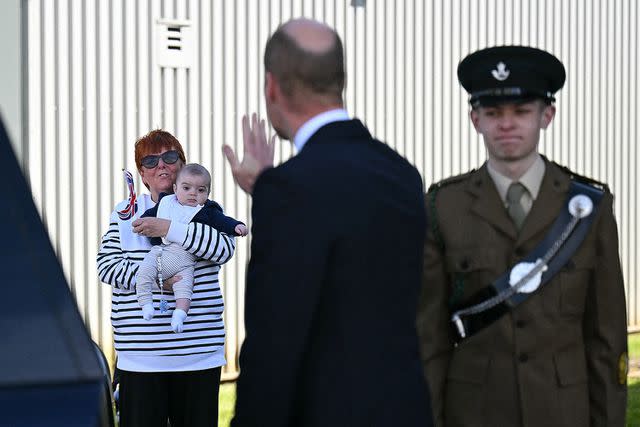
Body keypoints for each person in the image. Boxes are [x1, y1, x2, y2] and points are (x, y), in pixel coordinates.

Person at [222, 18, 433, 427]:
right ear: (341, 81)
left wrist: (271, 190)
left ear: (271, 86)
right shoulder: (401, 174)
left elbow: (274, 343)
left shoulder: (289, 192)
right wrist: (269, 187)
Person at [417, 45, 628, 427]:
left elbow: (606, 340)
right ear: (474, 119)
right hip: (474, 415)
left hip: (564, 414)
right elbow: (429, 341)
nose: (507, 124)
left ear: (547, 116)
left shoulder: (586, 207)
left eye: (521, 111)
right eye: (493, 113)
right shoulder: (441, 208)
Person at [97, 130, 237, 427]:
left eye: (170, 157)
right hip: (141, 359)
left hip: (199, 357)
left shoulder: (207, 209)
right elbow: (107, 266)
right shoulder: (124, 214)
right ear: (142, 175)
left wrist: (169, 229)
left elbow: (224, 249)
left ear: (182, 165)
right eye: (150, 160)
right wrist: (159, 278)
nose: (161, 165)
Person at [135, 163, 248, 333]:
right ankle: (146, 304)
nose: (193, 193)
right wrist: (141, 223)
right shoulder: (166, 203)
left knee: (185, 288)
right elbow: (148, 219)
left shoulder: (207, 211)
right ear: (175, 188)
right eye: (186, 188)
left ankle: (179, 315)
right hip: (160, 255)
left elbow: (223, 222)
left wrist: (236, 226)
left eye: (201, 190)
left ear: (208, 194)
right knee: (144, 272)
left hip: (186, 260)